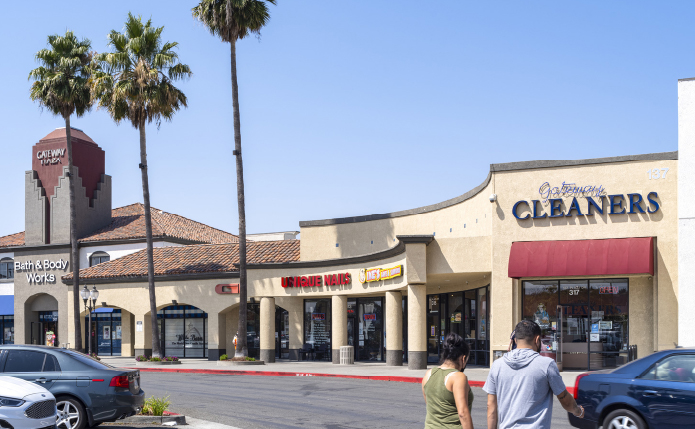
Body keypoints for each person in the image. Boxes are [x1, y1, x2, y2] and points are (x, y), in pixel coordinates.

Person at [484, 320, 584, 429]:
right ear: (537, 340)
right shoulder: (546, 365)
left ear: (516, 340)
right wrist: (578, 411)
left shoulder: (497, 365)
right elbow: (565, 400)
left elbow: (491, 406)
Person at [422, 333, 474, 429]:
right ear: (463, 358)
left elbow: (431, 406)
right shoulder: (458, 377)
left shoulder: (428, 374)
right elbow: (463, 414)